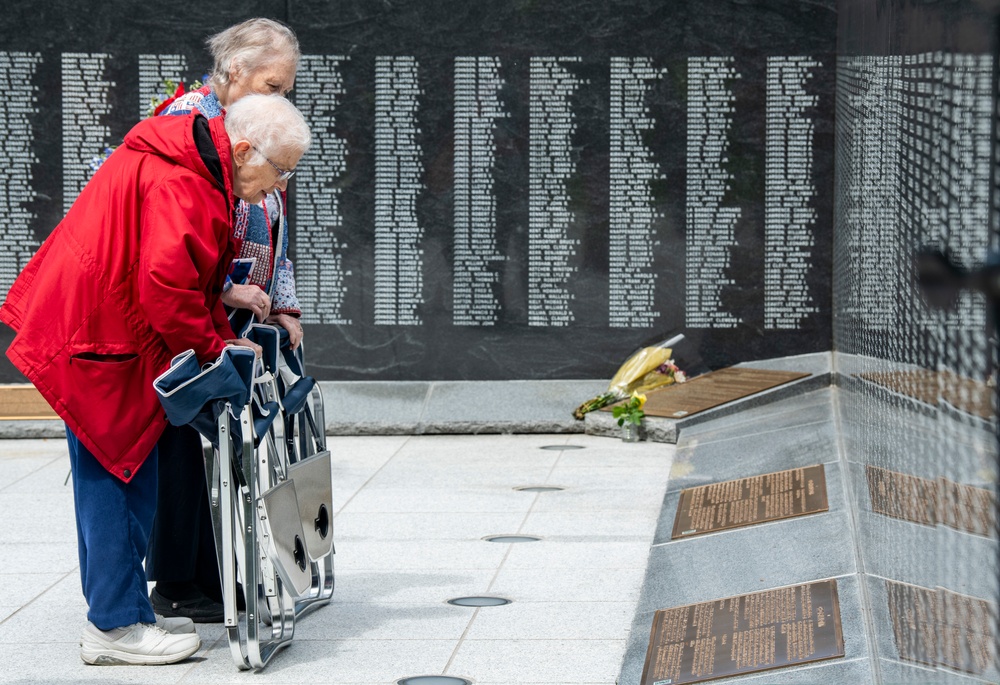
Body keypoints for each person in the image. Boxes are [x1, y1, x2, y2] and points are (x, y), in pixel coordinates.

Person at [0, 94, 311, 665]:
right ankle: (114, 627)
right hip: (98, 335)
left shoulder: (194, 164)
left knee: (116, 471)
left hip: (99, 324)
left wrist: (218, 332)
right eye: (280, 171)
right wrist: (215, 351)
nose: (278, 189)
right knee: (118, 472)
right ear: (243, 150)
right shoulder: (186, 183)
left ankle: (122, 612)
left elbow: (189, 279)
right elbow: (167, 288)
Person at [144, 17, 307, 623]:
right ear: (235, 70)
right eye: (272, 83)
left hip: (244, 314)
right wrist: (224, 289)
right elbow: (168, 232)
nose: (279, 97)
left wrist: (284, 301)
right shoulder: (184, 122)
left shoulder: (262, 127)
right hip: (196, 312)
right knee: (189, 449)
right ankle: (180, 581)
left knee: (231, 449)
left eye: (286, 88)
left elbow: (277, 228)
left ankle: (223, 575)